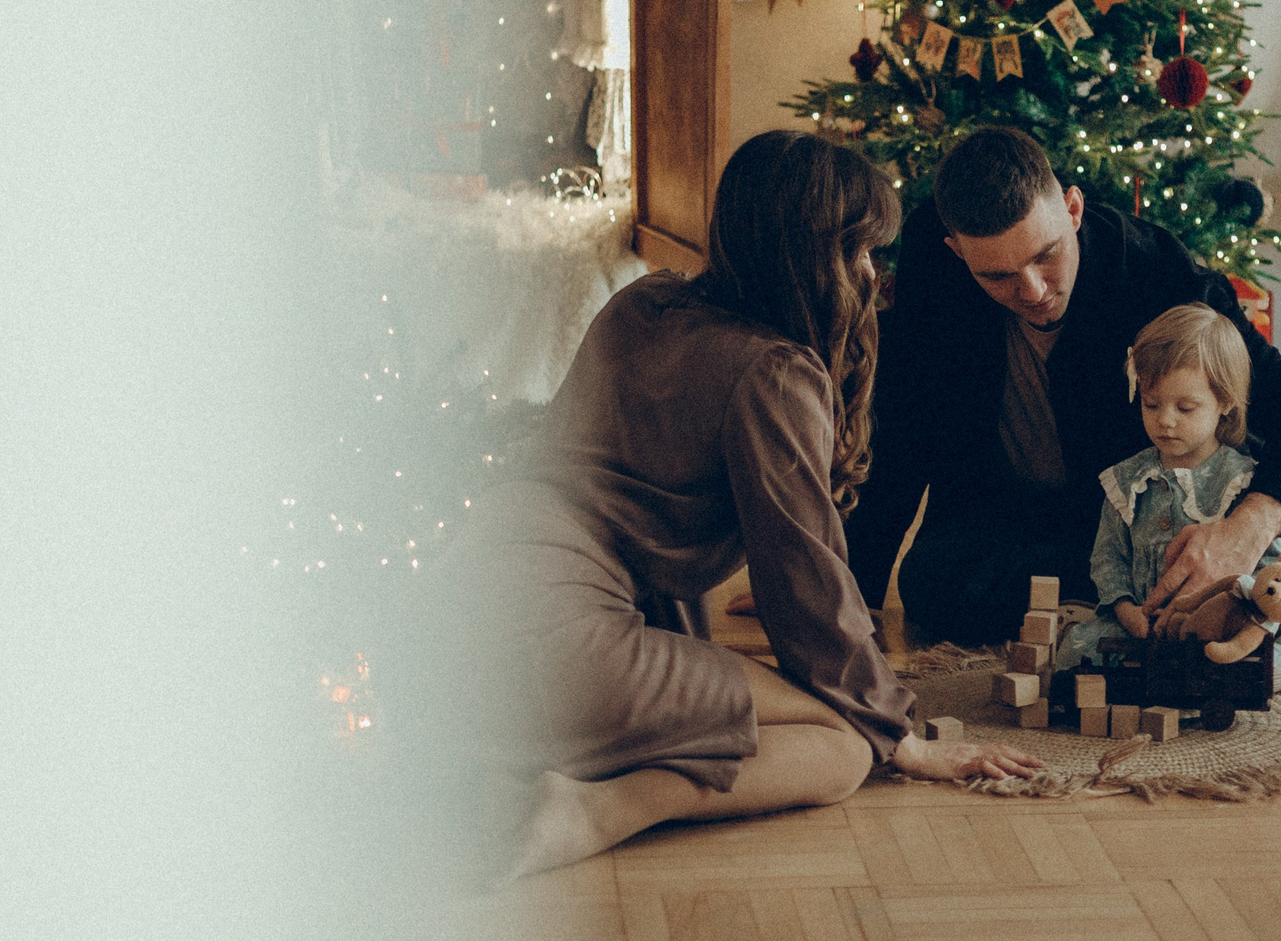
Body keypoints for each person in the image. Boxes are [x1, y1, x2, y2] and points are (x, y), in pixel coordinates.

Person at [416, 131, 1042, 877]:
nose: (874, 276)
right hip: (558, 636)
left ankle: (564, 766)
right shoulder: (774, 374)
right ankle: (597, 809)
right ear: (814, 258)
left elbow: (631, 524)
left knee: (805, 716)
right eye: (860, 252)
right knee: (846, 746)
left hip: (457, 611)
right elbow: (803, 574)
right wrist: (898, 732)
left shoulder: (642, 302)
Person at [848, 126, 1281, 646]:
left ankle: (1151, 597)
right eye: (998, 276)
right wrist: (850, 590)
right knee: (932, 586)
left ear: (1072, 210)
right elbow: (899, 433)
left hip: (1157, 509)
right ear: (957, 252)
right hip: (1016, 517)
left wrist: (1244, 532)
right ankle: (1148, 604)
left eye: (1046, 255)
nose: (1033, 291)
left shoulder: (1154, 270)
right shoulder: (934, 274)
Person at [1065, 302, 1281, 689]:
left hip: (1218, 630)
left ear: (1225, 402)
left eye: (1185, 407)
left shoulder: (1241, 482)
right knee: (1076, 653)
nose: (1165, 419)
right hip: (1144, 627)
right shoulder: (1126, 480)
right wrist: (1124, 606)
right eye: (1151, 403)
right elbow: (1109, 553)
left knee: (1240, 668)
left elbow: (1263, 568)